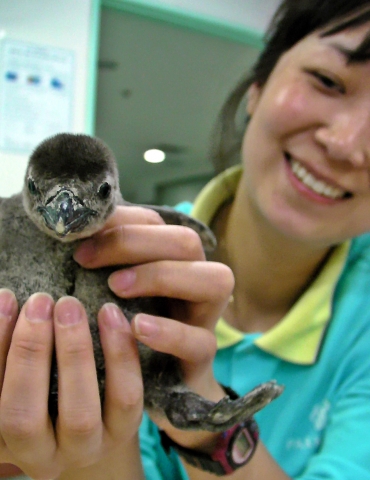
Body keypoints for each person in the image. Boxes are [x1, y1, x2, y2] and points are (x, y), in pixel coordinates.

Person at [1, 0, 370, 478]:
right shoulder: (128, 247)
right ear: (258, 86)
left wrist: (201, 424)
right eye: (328, 81)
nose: (346, 142)